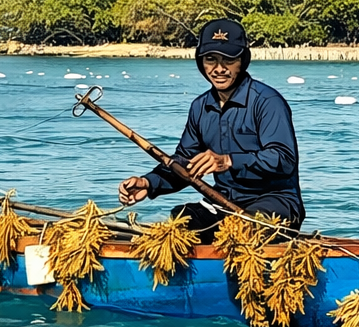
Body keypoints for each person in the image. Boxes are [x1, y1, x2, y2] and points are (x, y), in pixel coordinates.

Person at [118, 19, 304, 236]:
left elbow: (284, 159)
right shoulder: (200, 107)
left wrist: (228, 160)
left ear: (242, 61)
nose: (219, 69)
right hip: (222, 204)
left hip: (277, 204)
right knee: (179, 223)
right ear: (201, 62)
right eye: (211, 59)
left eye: (228, 60)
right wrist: (149, 183)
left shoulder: (268, 101)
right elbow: (185, 164)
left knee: (242, 231)